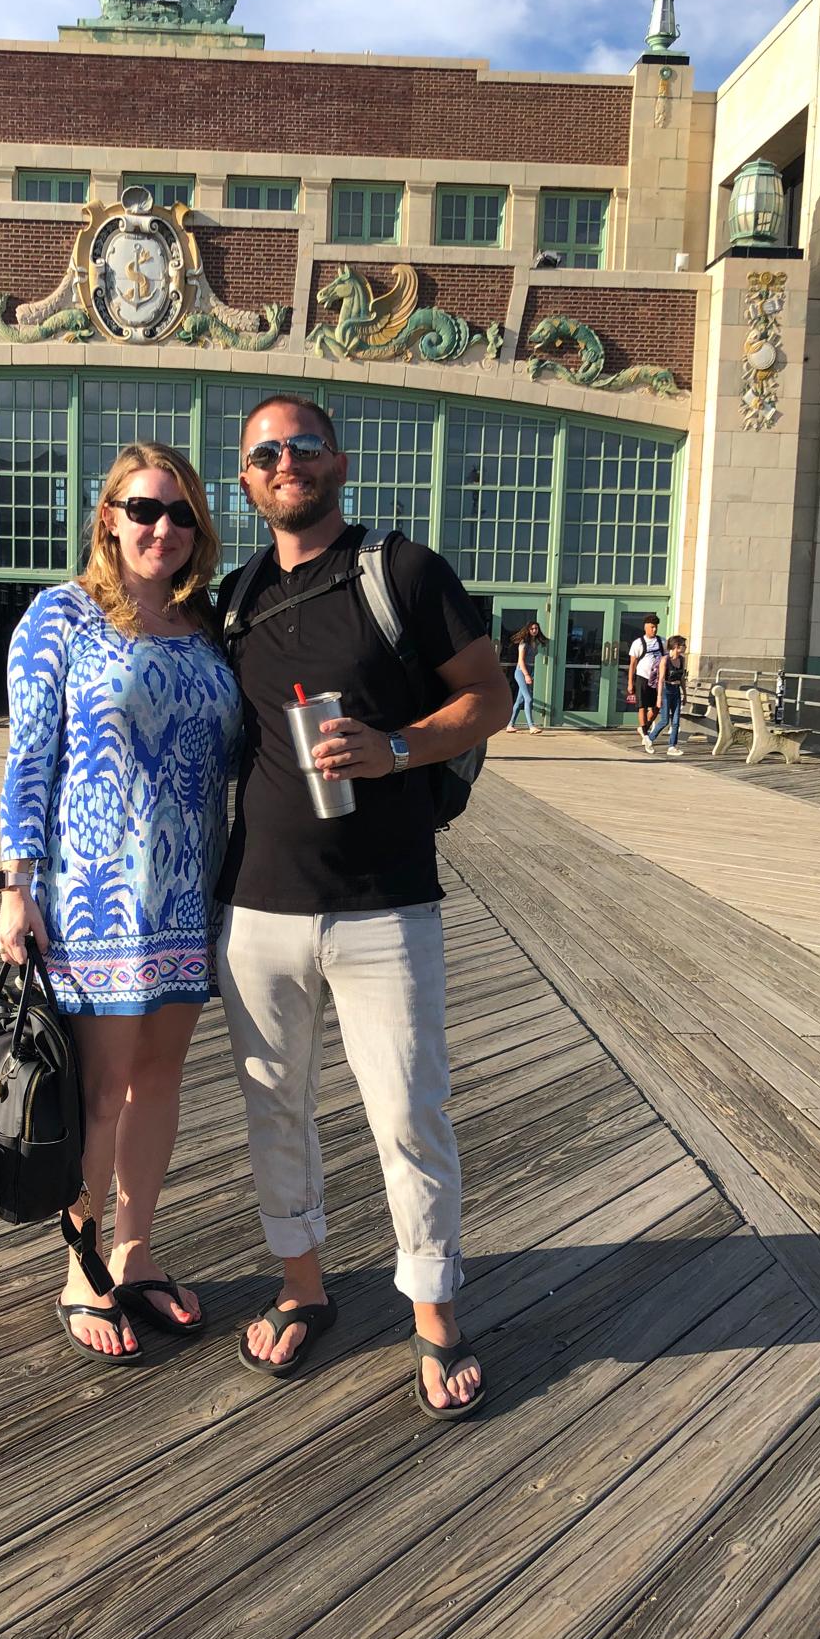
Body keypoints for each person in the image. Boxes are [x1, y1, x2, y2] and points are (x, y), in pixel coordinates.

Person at [216, 394, 510, 1421]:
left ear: (338, 461)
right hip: (256, 910)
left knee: (410, 1116)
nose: (284, 461)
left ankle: (435, 1312)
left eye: (301, 445)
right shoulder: (236, 597)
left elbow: (490, 696)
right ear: (246, 481)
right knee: (274, 1111)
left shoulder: (404, 574)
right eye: (264, 452)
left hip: (388, 905)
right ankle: (305, 1291)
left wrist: (395, 748)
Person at [0, 442, 240, 1368]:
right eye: (144, 510)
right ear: (108, 515)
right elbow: (29, 760)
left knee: (161, 1085)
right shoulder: (61, 617)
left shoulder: (205, 625)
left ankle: (137, 1255)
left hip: (187, 891)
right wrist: (15, 886)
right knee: (99, 1093)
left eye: (180, 514)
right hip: (95, 893)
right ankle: (82, 1265)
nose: (162, 529)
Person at [642, 634, 688, 757]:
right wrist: (658, 697)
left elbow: (682, 678)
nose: (685, 647)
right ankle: (649, 738)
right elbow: (661, 679)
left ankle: (672, 746)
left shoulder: (682, 660)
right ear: (676, 646)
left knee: (676, 721)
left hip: (676, 690)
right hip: (666, 690)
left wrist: (685, 694)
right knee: (664, 720)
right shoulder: (665, 660)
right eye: (684, 645)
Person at [627, 614, 665, 741]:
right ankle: (645, 733)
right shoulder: (638, 643)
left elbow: (666, 659)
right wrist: (630, 683)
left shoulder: (662, 642)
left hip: (657, 680)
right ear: (646, 627)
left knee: (656, 707)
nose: (654, 630)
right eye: (652, 627)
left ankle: (644, 728)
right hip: (642, 677)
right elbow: (632, 664)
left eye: (656, 627)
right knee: (642, 706)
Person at [506, 621, 546, 734]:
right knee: (528, 699)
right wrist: (526, 675)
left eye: (536, 628)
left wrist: (530, 674)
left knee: (519, 701)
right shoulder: (523, 643)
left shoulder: (535, 643)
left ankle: (510, 725)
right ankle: (531, 726)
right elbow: (521, 661)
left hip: (529, 671)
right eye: (532, 628)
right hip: (521, 672)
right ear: (528, 630)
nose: (534, 630)